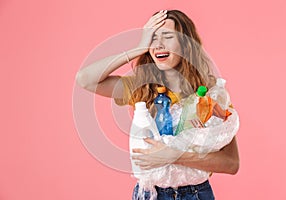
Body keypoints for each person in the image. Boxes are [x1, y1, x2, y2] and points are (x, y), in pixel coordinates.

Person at [76, 9, 239, 200]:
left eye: (167, 37)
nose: (158, 45)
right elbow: (85, 79)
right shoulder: (141, 88)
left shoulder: (210, 94)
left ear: (186, 44)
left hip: (195, 194)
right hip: (151, 194)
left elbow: (231, 163)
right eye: (152, 38)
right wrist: (137, 49)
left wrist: (174, 156)